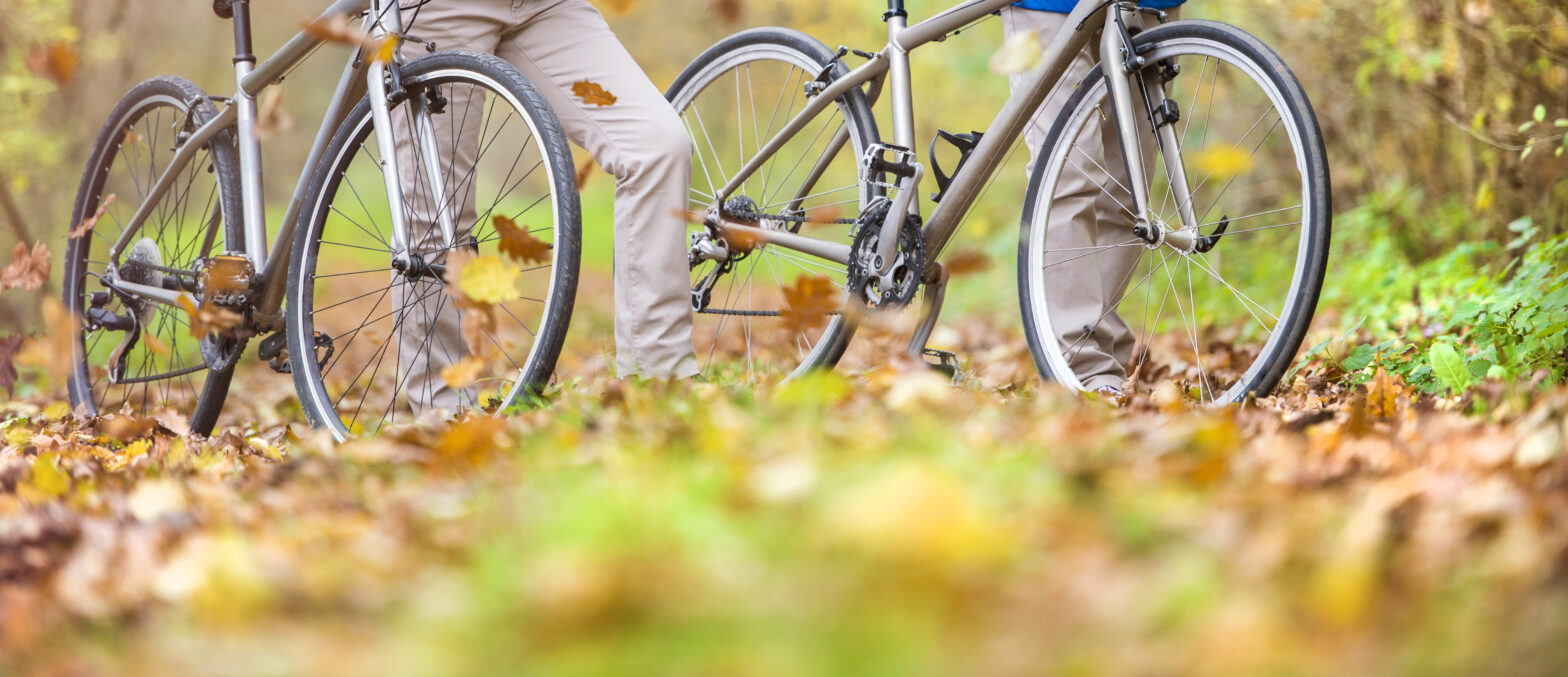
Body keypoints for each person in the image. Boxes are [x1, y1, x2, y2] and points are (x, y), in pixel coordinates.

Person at [391, 0, 700, 413]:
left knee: (657, 146)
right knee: (438, 216)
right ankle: (445, 417)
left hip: (548, 8)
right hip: (438, 10)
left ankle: (661, 384)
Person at [1003, 0, 1186, 399]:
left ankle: (1100, 356)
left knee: (1128, 186)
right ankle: (1081, 367)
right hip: (1047, 6)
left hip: (1149, 4)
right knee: (1067, 173)